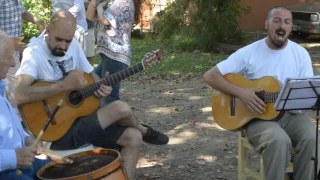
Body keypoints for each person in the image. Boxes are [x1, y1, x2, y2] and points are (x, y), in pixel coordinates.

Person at [14, 10, 168, 180]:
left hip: (79, 122)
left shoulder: (73, 46)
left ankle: (139, 136)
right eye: (59, 39)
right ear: (48, 31)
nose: (64, 46)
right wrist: (62, 85)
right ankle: (143, 129)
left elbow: (92, 76)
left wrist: (102, 87)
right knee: (120, 108)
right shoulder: (33, 53)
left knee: (133, 137)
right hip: (56, 133)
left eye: (68, 40)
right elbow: (19, 95)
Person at [204, 6, 318, 180]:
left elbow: (306, 92)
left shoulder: (300, 54)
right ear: (267, 24)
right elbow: (210, 76)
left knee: (313, 138)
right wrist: (242, 93)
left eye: (287, 22)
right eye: (276, 20)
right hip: (257, 117)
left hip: (291, 116)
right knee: (279, 141)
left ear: (291, 26)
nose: (282, 26)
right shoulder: (249, 52)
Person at [0, 30, 51, 180]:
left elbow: (7, 130)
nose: (13, 63)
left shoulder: (1, 87)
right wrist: (13, 157)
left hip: (20, 163)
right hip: (5, 171)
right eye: (9, 57)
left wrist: (27, 138)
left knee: (65, 170)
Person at [86, 0, 135, 105]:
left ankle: (113, 120)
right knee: (93, 86)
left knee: (110, 97)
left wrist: (99, 8)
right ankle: (99, 118)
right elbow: (89, 17)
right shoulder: (109, 2)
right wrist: (95, 1)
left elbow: (106, 23)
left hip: (116, 54)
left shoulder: (123, 2)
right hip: (108, 55)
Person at [0, 0, 45, 106]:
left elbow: (23, 12)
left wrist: (37, 21)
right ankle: (16, 118)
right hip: (5, 53)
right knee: (14, 90)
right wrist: (11, 41)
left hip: (16, 49)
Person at [51, 0, 94, 65]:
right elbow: (56, 8)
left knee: (80, 61)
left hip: (77, 30)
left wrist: (61, 19)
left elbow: (78, 7)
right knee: (63, 60)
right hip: (61, 29)